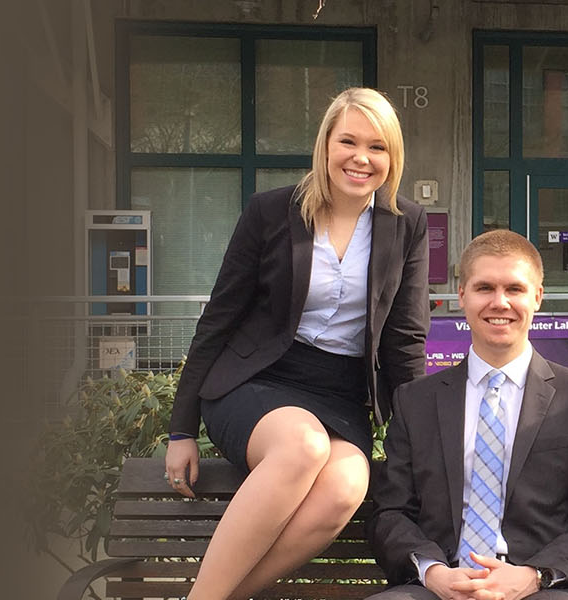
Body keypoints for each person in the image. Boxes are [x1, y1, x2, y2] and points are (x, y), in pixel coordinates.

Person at [164, 87, 430, 600]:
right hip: (255, 382)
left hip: (340, 395)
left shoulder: (405, 225)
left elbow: (404, 341)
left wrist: (420, 442)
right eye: (348, 141)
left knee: (347, 486)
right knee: (302, 446)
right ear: (325, 145)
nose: (361, 158)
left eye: (377, 147)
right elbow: (218, 320)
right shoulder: (271, 211)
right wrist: (181, 430)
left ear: (392, 157)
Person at [367, 229, 568, 600]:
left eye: (515, 289)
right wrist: (434, 572)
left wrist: (533, 575)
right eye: (485, 288)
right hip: (441, 586)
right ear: (462, 296)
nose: (500, 302)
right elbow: (390, 514)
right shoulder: (415, 401)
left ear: (537, 297)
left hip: (541, 588)